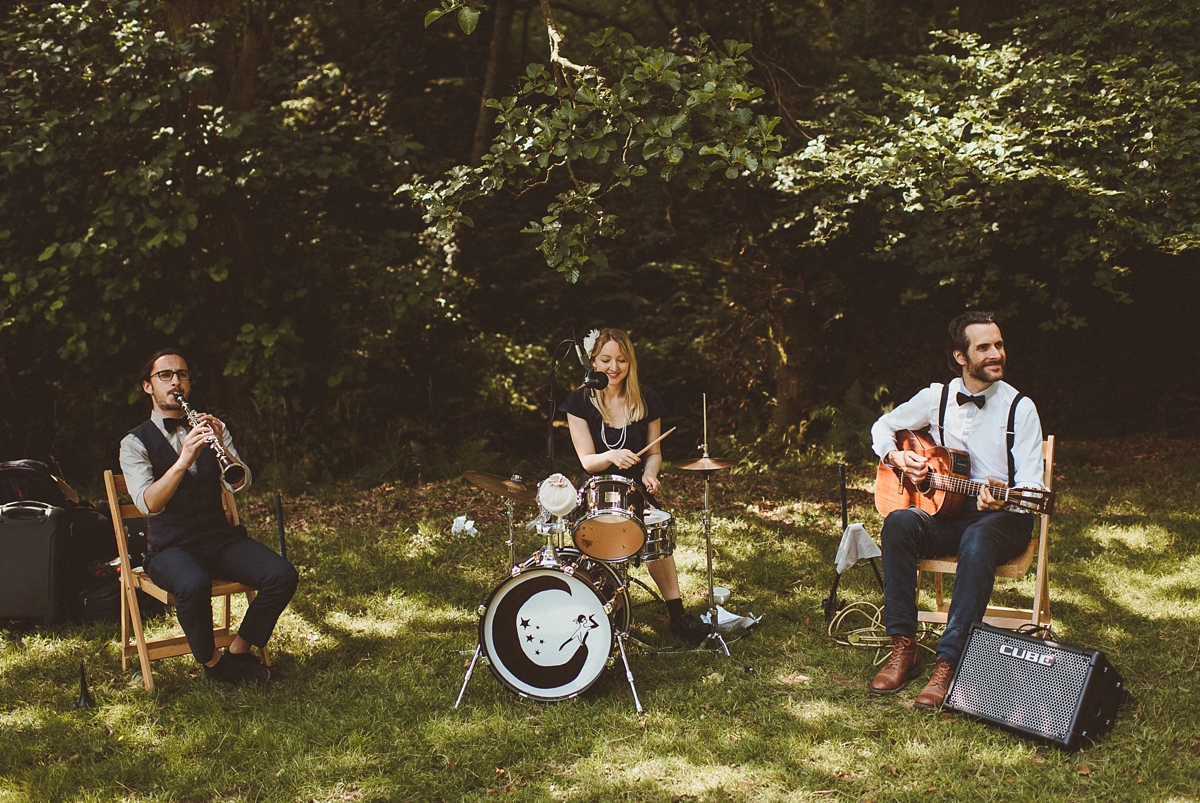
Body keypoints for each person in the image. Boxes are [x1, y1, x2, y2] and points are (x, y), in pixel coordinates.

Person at [867, 311, 1045, 708]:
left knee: (979, 537)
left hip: (1004, 519)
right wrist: (897, 457)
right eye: (983, 347)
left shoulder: (1020, 408)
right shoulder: (937, 398)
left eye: (998, 344)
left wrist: (1006, 495)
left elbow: (1034, 485)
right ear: (960, 357)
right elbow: (882, 426)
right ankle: (904, 646)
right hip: (950, 513)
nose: (996, 353)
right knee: (898, 522)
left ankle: (949, 662)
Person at [119, 349, 298, 685]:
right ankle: (213, 665)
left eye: (182, 375)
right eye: (165, 375)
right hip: (170, 548)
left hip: (219, 539)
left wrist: (223, 448)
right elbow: (148, 504)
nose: (176, 381)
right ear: (148, 386)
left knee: (282, 575)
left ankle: (238, 653)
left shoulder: (210, 426)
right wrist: (183, 459)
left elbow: (239, 483)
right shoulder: (133, 443)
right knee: (193, 583)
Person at [560, 328, 713, 645]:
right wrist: (612, 456)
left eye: (621, 360)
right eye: (605, 360)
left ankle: (677, 614)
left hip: (633, 492)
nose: (613, 368)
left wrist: (650, 474)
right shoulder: (578, 402)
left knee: (656, 527)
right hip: (595, 490)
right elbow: (588, 461)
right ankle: (605, 607)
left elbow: (654, 453)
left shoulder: (646, 399)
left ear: (630, 363)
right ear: (593, 361)